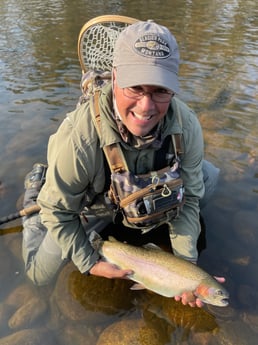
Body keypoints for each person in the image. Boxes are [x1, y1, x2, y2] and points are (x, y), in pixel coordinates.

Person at [22, 19, 223, 307]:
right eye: (135, 88)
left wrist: (185, 264)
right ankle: (37, 189)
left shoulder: (187, 125)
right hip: (94, 204)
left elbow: (189, 198)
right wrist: (90, 262)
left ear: (173, 89)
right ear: (115, 78)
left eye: (160, 90)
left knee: (210, 178)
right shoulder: (80, 139)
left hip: (145, 194)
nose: (146, 106)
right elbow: (58, 213)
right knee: (38, 274)